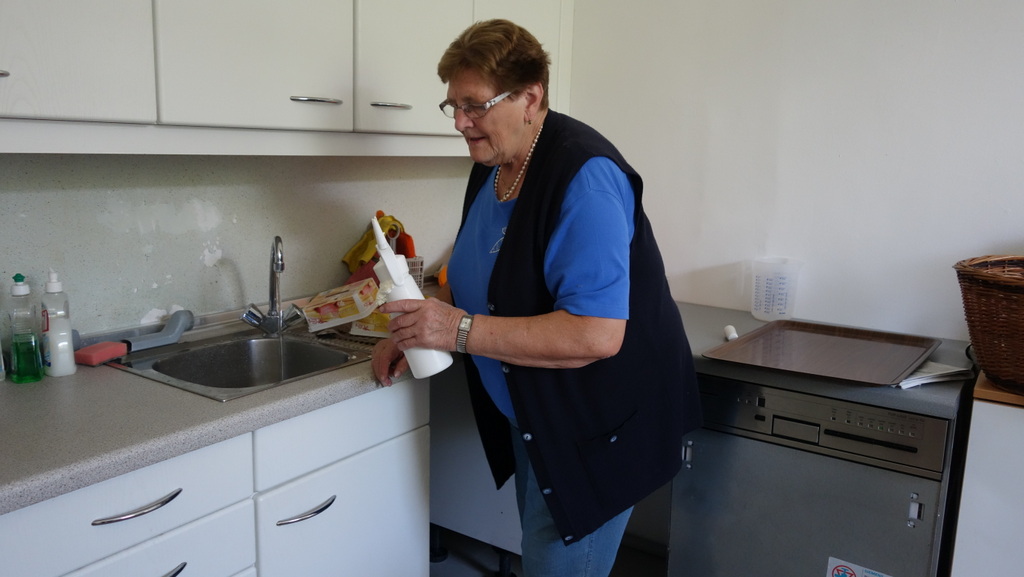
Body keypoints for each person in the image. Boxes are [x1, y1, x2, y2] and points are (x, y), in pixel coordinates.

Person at [371, 19, 702, 577]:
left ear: (530, 97)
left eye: (474, 105)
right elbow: (475, 272)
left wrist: (453, 330)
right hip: (538, 413)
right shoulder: (495, 163)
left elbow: (595, 334)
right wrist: (414, 327)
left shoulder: (585, 178)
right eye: (452, 105)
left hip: (596, 428)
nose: (460, 122)